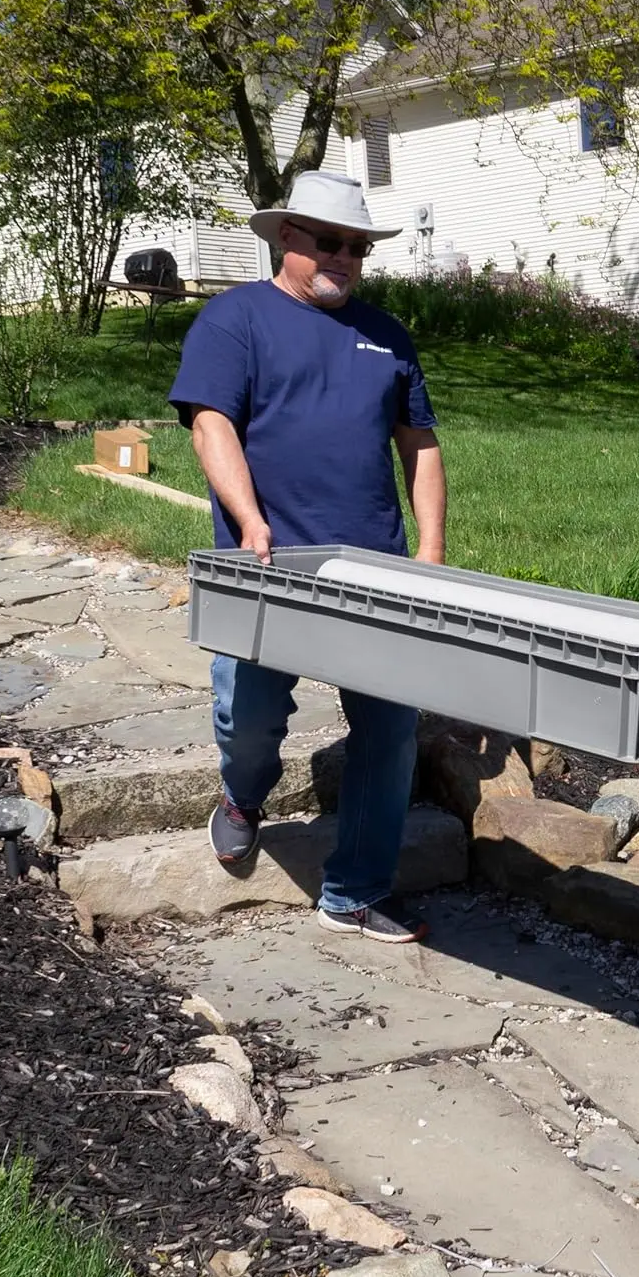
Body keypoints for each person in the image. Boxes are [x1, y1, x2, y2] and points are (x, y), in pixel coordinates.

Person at [169, 169, 445, 946]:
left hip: (379, 571)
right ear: (286, 237)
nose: (347, 257)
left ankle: (355, 890)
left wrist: (428, 551)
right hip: (270, 568)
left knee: (390, 732)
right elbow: (210, 425)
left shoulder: (387, 334)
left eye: (358, 246)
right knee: (248, 717)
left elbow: (419, 445)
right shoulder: (236, 320)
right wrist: (250, 523)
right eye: (331, 242)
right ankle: (242, 797)